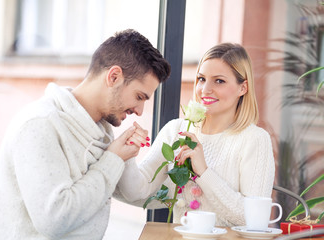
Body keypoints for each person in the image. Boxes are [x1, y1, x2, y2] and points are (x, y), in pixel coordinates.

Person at [0, 29, 170, 240]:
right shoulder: (39, 125)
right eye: (139, 96)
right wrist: (113, 159)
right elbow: (55, 219)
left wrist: (125, 156)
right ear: (114, 77)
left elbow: (130, 191)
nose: (139, 111)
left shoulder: (101, 130)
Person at [115, 43, 275, 227]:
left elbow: (253, 220)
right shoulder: (176, 130)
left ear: (243, 88)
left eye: (219, 81)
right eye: (201, 79)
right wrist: (127, 157)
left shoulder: (255, 140)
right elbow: (138, 191)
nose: (205, 89)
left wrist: (204, 172)